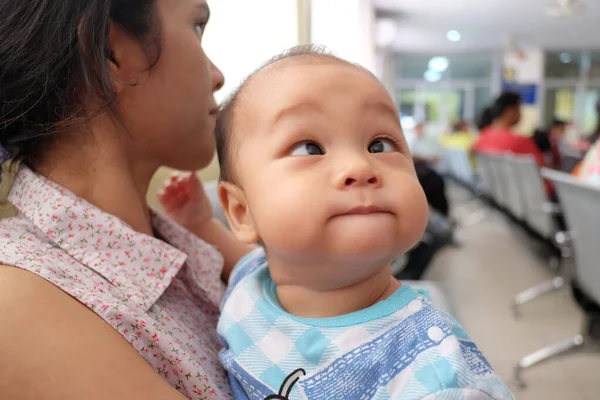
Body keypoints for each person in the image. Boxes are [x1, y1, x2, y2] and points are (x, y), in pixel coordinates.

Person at [161, 46, 514, 399]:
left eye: (379, 145)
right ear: (241, 212)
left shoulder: (434, 380)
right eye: (309, 148)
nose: (360, 168)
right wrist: (200, 222)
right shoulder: (256, 283)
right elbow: (240, 259)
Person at [0, 1, 256, 398]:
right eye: (197, 27)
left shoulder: (183, 255)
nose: (219, 76)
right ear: (110, 53)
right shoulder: (17, 303)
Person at [473, 92, 545, 166]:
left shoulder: (482, 137)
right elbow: (542, 168)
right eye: (519, 109)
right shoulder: (521, 141)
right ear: (510, 111)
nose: (521, 114)